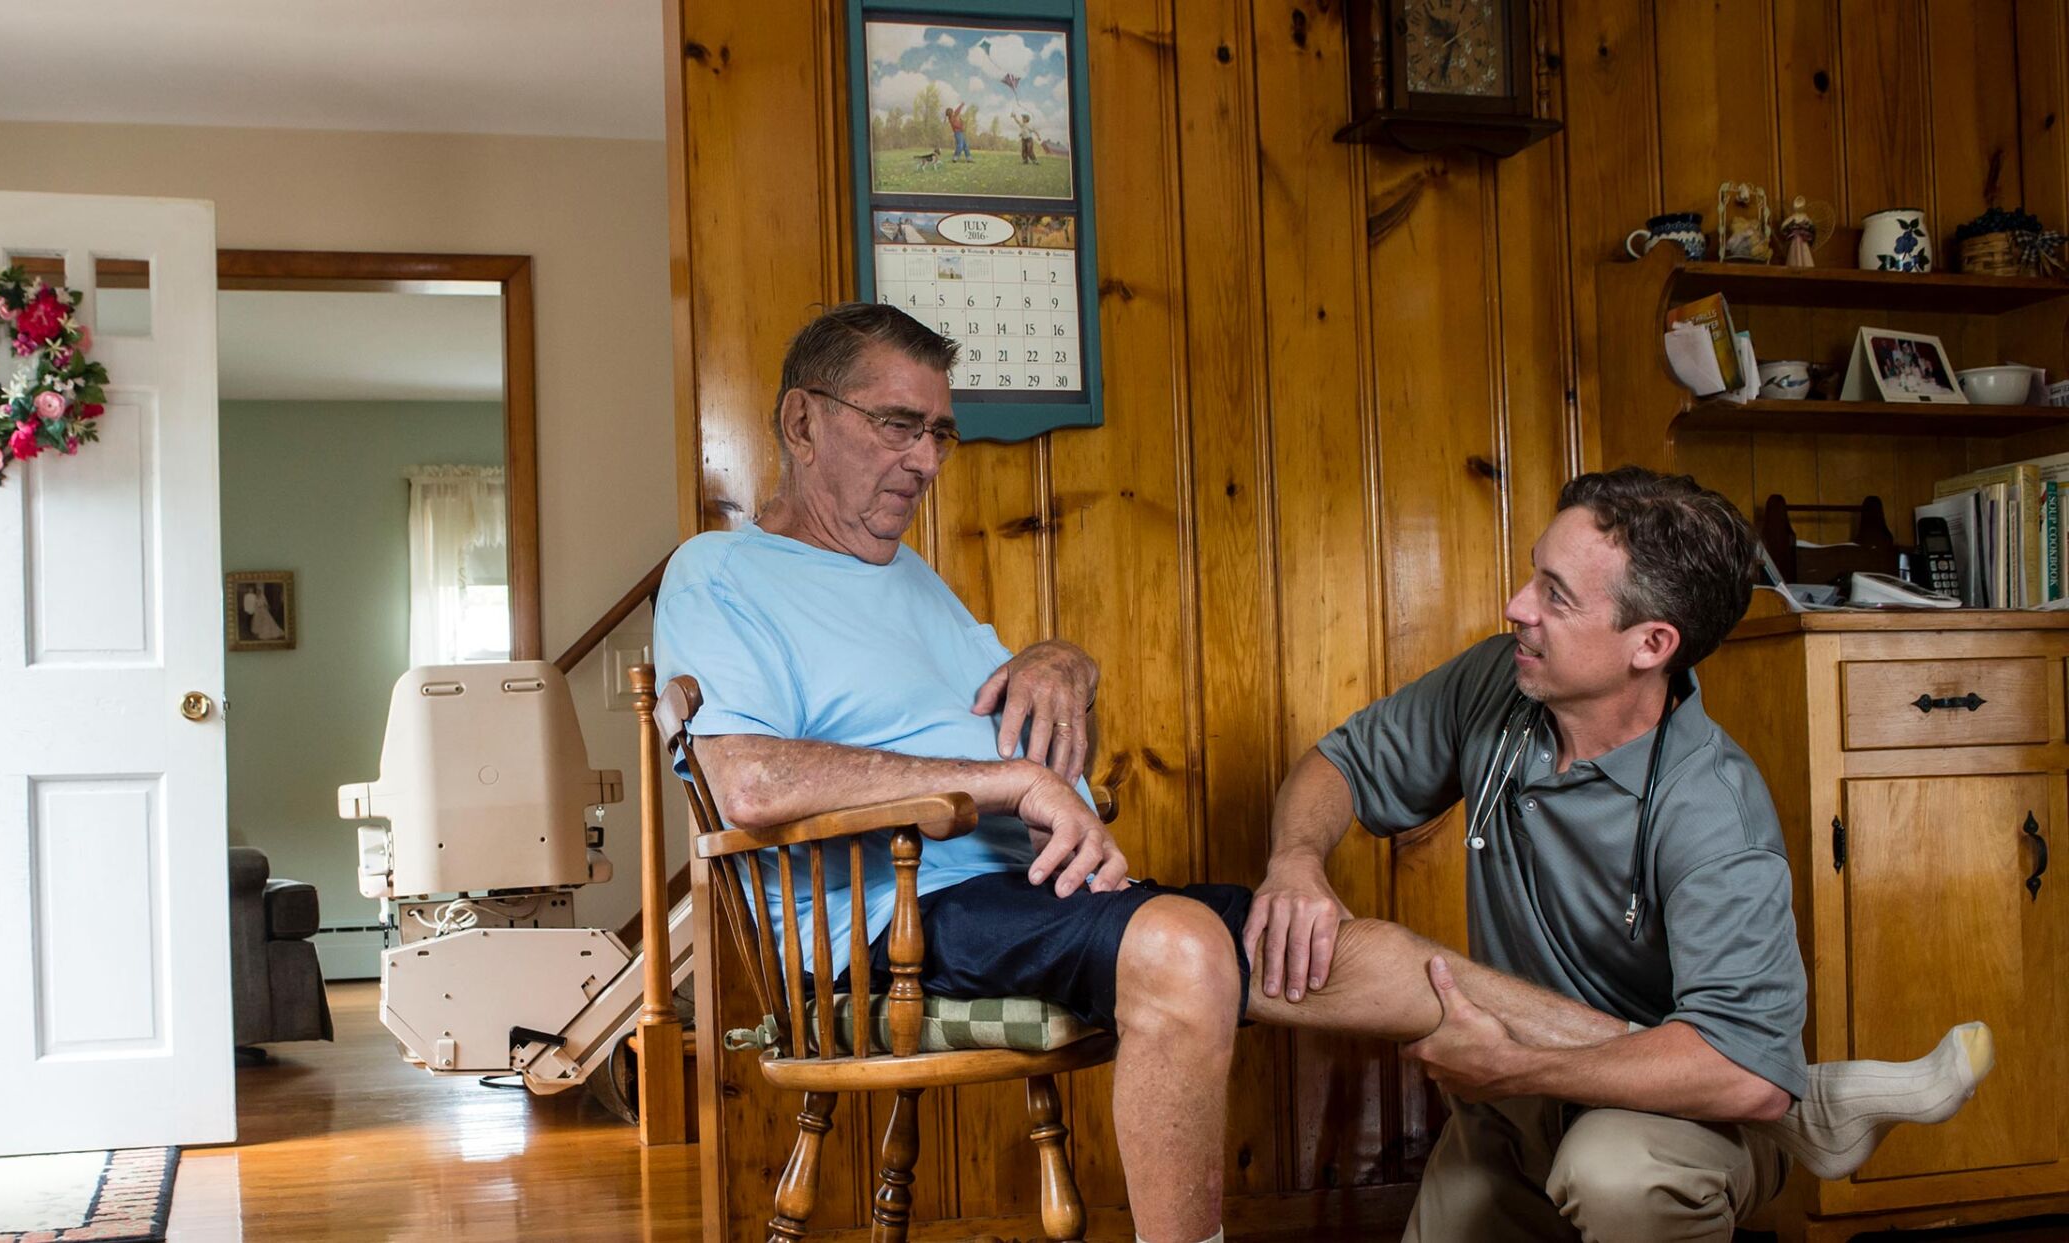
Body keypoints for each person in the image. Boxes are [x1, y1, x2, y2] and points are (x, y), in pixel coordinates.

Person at [656, 304, 1986, 1243]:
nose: (925, 463)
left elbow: (1016, 706)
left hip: (1029, 900)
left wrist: (1063, 660)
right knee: (1183, 947)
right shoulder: (722, 574)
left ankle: (1785, 1093)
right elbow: (749, 778)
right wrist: (1004, 788)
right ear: (799, 421)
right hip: (889, 930)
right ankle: (1791, 1095)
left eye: (941, 433)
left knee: (1374, 949)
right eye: (899, 427)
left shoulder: (917, 584)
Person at [1248, 466, 1994, 1242]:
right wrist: (1296, 859)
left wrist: (1514, 1063)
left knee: (1616, 1172)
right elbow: (1339, 764)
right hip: (1511, 1111)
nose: (1517, 607)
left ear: (1651, 643)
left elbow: (1739, 1073)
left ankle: (1787, 1111)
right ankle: (1812, 1106)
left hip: (1671, 1123)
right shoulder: (1497, 685)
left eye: (1556, 594)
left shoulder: (1715, 812)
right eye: (1533, 574)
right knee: (1346, 962)